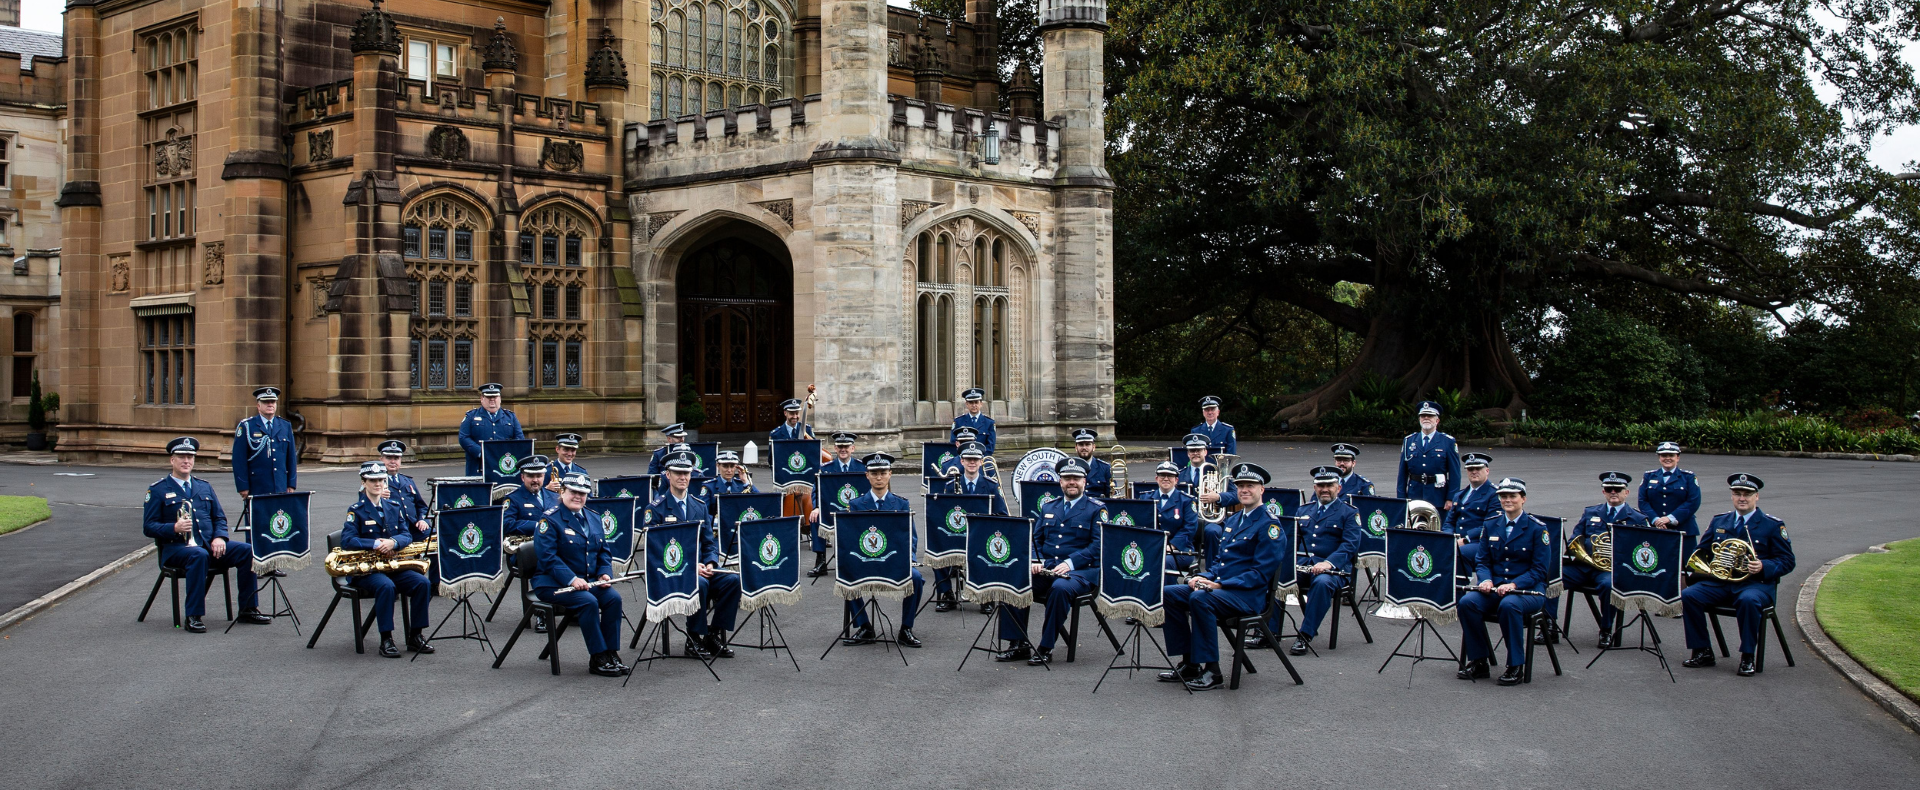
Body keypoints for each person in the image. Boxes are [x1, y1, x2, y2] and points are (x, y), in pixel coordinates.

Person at [1158, 462, 1287, 691]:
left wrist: (1218, 584)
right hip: (1222, 588)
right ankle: (1190, 664)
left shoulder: (1269, 526)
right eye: (1240, 486)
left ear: (1262, 490)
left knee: (1200, 599)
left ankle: (1213, 670)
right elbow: (1220, 563)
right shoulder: (1235, 520)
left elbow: (1259, 575)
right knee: (1169, 593)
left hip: (1247, 596)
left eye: (1250, 486)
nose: (1245, 490)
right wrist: (1200, 577)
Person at [142, 437, 272, 634]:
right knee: (198, 555)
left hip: (207, 545)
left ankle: (248, 608)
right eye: (182, 457)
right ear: (172, 460)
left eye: (190, 457)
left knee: (247, 551)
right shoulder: (158, 490)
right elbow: (148, 526)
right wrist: (173, 528)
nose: (186, 461)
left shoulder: (204, 487)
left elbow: (219, 517)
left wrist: (220, 537)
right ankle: (193, 616)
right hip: (176, 549)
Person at [994, 458, 1107, 666]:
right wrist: (1036, 561)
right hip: (1048, 568)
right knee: (1014, 579)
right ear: (1060, 482)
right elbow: (1036, 540)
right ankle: (1018, 644)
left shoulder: (1096, 509)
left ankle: (1046, 647)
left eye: (1076, 478)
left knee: (1060, 589)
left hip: (1081, 573)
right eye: (1066, 478)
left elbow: (1099, 546)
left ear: (1085, 481)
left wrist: (1071, 563)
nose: (1071, 482)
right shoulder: (1049, 506)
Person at [1682, 474, 1796, 676]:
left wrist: (1763, 566)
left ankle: (1747, 656)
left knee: (1748, 600)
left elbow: (1788, 561)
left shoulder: (1772, 525)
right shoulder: (1720, 520)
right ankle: (1703, 650)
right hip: (1721, 582)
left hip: (1755, 585)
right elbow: (1702, 552)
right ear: (1732, 496)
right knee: (1690, 595)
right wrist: (1712, 565)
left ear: (1756, 497)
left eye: (1747, 494)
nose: (1742, 498)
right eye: (1737, 494)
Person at [531, 472, 630, 677]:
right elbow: (548, 557)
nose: (578, 497)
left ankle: (612, 653)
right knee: (588, 602)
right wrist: (572, 579)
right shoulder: (549, 519)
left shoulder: (593, 517)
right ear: (562, 491)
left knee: (613, 598)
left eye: (583, 493)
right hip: (552, 583)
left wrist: (604, 574)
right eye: (573, 492)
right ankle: (598, 656)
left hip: (589, 581)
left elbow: (603, 551)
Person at [1456, 478, 1550, 686]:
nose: (1507, 500)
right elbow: (1482, 560)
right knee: (1467, 603)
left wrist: (1514, 585)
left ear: (1523, 499)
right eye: (1503, 496)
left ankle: (1516, 665)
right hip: (1496, 587)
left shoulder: (1537, 529)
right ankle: (1479, 661)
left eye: (1512, 496)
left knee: (1509, 605)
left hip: (1528, 591)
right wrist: (1486, 579)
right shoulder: (1491, 524)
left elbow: (1539, 570)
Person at [644, 451, 739, 659]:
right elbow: (656, 550)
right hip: (670, 571)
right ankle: (694, 637)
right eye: (678, 473)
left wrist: (711, 562)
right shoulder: (656, 509)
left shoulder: (699, 505)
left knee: (733, 580)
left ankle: (713, 634)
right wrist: (690, 565)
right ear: (667, 475)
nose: (683, 478)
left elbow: (708, 542)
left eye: (687, 473)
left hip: (701, 569)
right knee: (701, 584)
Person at [340, 461, 434, 658]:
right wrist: (375, 544)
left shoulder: (393, 506)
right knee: (386, 587)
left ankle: (415, 636)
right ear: (363, 482)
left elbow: (407, 535)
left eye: (381, 480)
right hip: (367, 570)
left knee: (422, 584)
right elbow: (347, 540)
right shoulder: (356, 510)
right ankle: (386, 639)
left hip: (393, 565)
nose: (378, 484)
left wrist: (393, 543)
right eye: (373, 480)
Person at [839, 452, 926, 648]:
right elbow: (851, 537)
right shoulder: (856, 504)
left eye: (883, 472)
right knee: (846, 574)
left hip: (894, 562)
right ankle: (864, 626)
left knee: (916, 578)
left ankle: (906, 629)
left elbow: (910, 536)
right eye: (874, 473)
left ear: (890, 474)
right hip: (865, 561)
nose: (879, 477)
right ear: (867, 475)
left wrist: (910, 558)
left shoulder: (901, 504)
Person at [1275, 466, 1362, 656]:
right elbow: (1292, 542)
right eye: (1320, 485)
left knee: (1322, 583)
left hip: (1334, 570)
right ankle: (1269, 632)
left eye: (1329, 485)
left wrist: (1328, 563)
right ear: (1314, 488)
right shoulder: (1304, 510)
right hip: (1305, 566)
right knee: (1277, 577)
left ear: (1338, 487)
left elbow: (1350, 545)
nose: (1324, 489)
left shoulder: (1349, 513)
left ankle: (1305, 635)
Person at [1564, 471, 1649, 648]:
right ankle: (1549, 625)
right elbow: (1574, 539)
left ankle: (1606, 629)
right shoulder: (1591, 512)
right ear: (1603, 492)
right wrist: (1581, 553)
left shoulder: (1638, 518)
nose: (1613, 492)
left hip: (1613, 570)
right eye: (1609, 489)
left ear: (1626, 492)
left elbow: (1642, 552)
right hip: (1585, 566)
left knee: (1608, 586)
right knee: (1553, 577)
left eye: (1617, 489)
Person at [933, 441, 1006, 612]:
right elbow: (945, 515)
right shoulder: (951, 486)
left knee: (988, 550)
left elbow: (1002, 514)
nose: (972, 462)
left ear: (981, 462)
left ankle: (985, 595)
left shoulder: (991, 485)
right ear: (962, 461)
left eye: (975, 459)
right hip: (957, 536)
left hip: (982, 536)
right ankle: (946, 594)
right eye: (968, 459)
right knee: (937, 551)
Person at [808, 432, 865, 574]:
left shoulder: (862, 468)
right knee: (815, 518)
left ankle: (861, 558)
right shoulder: (825, 468)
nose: (843, 449)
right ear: (835, 448)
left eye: (846, 446)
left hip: (855, 511)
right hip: (831, 509)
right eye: (840, 446)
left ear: (853, 448)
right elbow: (816, 491)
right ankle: (821, 560)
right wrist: (816, 507)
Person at [231, 386, 297, 500]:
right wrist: (243, 486)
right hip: (257, 487)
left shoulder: (285, 426)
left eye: (273, 402)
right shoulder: (247, 426)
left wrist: (291, 483)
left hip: (280, 486)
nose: (270, 404)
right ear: (258, 406)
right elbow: (239, 459)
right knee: (258, 518)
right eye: (266, 402)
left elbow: (291, 457)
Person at [1639, 441, 1703, 554]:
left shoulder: (1688, 477)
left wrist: (1670, 518)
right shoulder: (1649, 476)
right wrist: (1656, 520)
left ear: (1677, 457)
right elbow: (1643, 501)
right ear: (1659, 457)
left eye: (1671, 455)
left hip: (1684, 529)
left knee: (1686, 568)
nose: (1667, 458)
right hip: (1656, 529)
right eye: (1664, 455)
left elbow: (1693, 501)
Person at [1398, 400, 1462, 510]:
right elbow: (1402, 473)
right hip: (1414, 495)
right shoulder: (1409, 441)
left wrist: (1451, 498)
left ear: (1437, 420)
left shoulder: (1447, 442)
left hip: (1438, 497)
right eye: (1423, 416)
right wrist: (1401, 498)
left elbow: (1455, 473)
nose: (1426, 418)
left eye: (1430, 416)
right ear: (1419, 419)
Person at [1143, 461, 1206, 571]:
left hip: (1180, 550)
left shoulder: (1187, 501)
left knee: (1165, 561)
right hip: (1152, 547)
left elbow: (1189, 528)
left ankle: (1167, 589)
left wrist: (1171, 546)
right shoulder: (1146, 498)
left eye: (1170, 476)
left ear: (1176, 480)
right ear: (1156, 478)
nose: (1166, 479)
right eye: (1162, 475)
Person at [458, 383, 524, 477]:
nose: (492, 400)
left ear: (500, 398)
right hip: (479, 467)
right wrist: (482, 452)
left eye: (495, 397)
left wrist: (507, 452)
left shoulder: (510, 417)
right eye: (489, 397)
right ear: (482, 399)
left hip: (505, 467)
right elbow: (463, 437)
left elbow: (520, 438)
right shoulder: (471, 416)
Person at [1448, 453, 1498, 565]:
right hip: (1456, 541)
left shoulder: (1494, 494)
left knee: (1458, 553)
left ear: (1487, 471)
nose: (1474, 472)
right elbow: (1450, 521)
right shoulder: (1459, 495)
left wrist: (1466, 539)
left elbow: (1491, 524)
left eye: (1478, 468)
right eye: (1470, 469)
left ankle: (1462, 582)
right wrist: (1448, 538)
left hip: (1480, 542)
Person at [378, 440, 431, 539]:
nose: (393, 461)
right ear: (381, 459)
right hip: (392, 530)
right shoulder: (374, 481)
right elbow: (364, 506)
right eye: (388, 458)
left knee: (437, 540)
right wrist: (377, 497)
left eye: (396, 458)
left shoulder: (407, 481)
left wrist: (423, 520)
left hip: (414, 527)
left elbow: (421, 506)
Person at [505, 455, 558, 540]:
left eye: (539, 476)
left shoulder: (554, 496)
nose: (535, 480)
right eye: (531, 476)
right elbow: (506, 524)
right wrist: (536, 526)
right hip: (527, 548)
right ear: (523, 477)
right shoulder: (513, 498)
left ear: (544, 476)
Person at [953, 388, 998, 457]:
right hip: (963, 460)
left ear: (981, 404)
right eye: (971, 403)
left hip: (982, 461)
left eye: (976, 402)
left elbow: (990, 447)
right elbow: (953, 443)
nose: (974, 405)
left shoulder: (989, 423)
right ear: (967, 404)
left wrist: (978, 459)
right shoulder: (958, 422)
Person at [1070, 428, 1113, 497]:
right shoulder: (1069, 468)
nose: (1084, 448)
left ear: (1093, 447)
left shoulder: (1105, 468)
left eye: (1087, 444)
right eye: (1081, 444)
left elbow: (1111, 494)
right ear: (1076, 447)